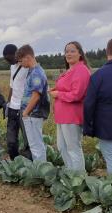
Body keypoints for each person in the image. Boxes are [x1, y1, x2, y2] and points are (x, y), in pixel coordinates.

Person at [49, 42, 91, 172]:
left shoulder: (82, 70)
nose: (68, 54)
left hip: (72, 115)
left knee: (73, 148)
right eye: (66, 51)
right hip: (62, 116)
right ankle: (70, 173)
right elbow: (65, 87)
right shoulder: (70, 70)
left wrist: (58, 94)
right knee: (62, 147)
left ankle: (79, 178)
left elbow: (77, 94)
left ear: (80, 53)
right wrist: (54, 89)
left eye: (72, 51)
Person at [16, 45, 49, 161]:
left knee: (36, 145)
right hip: (31, 114)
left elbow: (36, 95)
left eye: (20, 61)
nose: (20, 64)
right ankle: (39, 168)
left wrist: (25, 112)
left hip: (33, 114)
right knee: (34, 144)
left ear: (28, 57)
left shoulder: (36, 73)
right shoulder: (32, 71)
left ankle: (41, 170)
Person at [84, 39, 112, 174]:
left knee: (111, 159)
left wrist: (88, 127)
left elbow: (89, 104)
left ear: (107, 52)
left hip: (106, 126)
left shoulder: (98, 75)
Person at [3, 44, 31, 160]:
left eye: (9, 58)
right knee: (11, 140)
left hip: (25, 108)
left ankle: (29, 163)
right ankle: (15, 161)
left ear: (16, 54)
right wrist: (8, 104)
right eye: (5, 59)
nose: (8, 61)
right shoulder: (12, 67)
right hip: (13, 108)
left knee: (28, 139)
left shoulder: (27, 67)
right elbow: (12, 86)